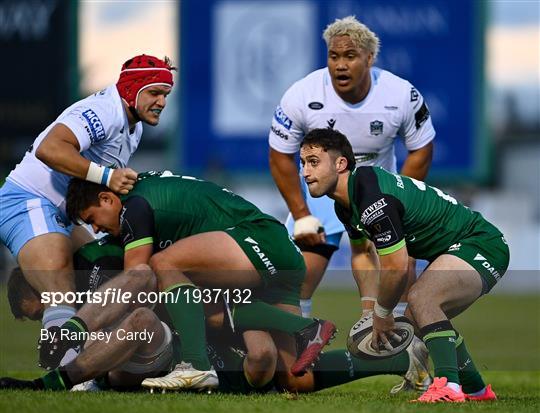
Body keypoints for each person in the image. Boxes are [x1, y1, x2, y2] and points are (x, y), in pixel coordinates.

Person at [3, 250, 430, 395]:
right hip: (184, 345)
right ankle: (397, 359)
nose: (48, 324)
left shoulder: (105, 262)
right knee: (282, 376)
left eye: (40, 315)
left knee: (283, 373)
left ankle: (396, 358)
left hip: (203, 333)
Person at [59, 171, 336, 391]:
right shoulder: (145, 194)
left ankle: (195, 365)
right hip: (278, 255)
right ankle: (372, 355)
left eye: (92, 219)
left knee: (161, 266)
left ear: (107, 199)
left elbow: (137, 279)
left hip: (257, 239)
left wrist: (94, 346)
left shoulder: (134, 206)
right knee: (293, 379)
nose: (95, 229)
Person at [298, 128, 509, 402]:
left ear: (341, 164)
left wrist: (382, 313)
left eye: (313, 162)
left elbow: (397, 267)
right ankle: (476, 389)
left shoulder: (372, 199)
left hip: (481, 244)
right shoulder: (346, 204)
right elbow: (363, 253)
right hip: (461, 247)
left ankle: (448, 387)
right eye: (302, 163)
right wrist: (369, 310)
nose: (305, 172)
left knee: (423, 298)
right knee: (418, 319)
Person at [0, 54, 175, 365]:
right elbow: (49, 148)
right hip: (28, 199)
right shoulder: (104, 111)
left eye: (166, 94)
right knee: (62, 292)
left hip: (64, 212)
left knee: (100, 280)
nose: (162, 102)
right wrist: (106, 176)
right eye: (154, 93)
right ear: (132, 91)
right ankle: (65, 377)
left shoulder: (133, 128)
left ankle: (95, 367)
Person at [268, 16, 435, 320]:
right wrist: (302, 214)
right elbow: (280, 155)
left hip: (377, 188)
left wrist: (399, 200)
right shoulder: (302, 95)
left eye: (350, 56)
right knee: (296, 275)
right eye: (334, 56)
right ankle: (300, 352)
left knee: (402, 268)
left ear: (369, 58)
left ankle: (401, 344)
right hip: (322, 194)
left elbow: (421, 148)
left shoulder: (400, 95)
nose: (340, 65)